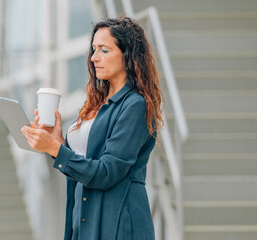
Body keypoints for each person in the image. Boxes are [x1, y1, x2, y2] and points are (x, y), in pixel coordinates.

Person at [21, 17, 163, 240]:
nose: (94, 57)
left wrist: (57, 151)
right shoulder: (97, 103)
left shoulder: (135, 106)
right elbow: (84, 161)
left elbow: (106, 172)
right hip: (87, 217)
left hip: (117, 223)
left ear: (127, 56)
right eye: (94, 49)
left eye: (104, 50)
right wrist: (57, 143)